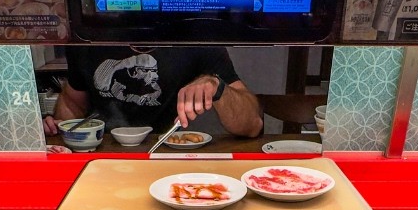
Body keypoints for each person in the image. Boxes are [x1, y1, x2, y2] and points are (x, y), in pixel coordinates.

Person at [43, 46, 263, 138]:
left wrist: (217, 86)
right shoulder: (88, 38)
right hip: (102, 152)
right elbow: (73, 103)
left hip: (164, 150)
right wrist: (57, 127)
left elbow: (252, 125)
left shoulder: (197, 37)